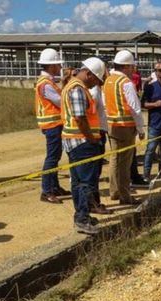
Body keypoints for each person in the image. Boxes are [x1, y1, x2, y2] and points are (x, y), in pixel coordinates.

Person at [60, 57, 106, 234]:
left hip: (74, 142)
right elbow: (80, 118)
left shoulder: (70, 86)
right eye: (96, 79)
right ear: (88, 74)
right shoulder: (78, 89)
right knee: (86, 182)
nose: (96, 83)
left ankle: (81, 214)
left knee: (78, 182)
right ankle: (82, 219)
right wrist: (92, 138)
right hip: (82, 142)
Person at [103, 50, 145, 205]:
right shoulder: (126, 83)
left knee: (114, 159)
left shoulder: (108, 81)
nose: (133, 69)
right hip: (125, 127)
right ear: (126, 66)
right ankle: (125, 196)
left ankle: (114, 191)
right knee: (125, 163)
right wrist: (141, 129)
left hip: (111, 125)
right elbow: (135, 108)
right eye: (132, 66)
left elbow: (105, 104)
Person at [35, 48, 71, 204]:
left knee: (55, 157)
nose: (60, 67)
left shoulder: (49, 82)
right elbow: (60, 101)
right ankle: (47, 190)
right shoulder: (46, 84)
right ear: (50, 66)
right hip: (52, 124)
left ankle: (54, 186)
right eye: (57, 64)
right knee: (52, 158)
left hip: (55, 123)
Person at [88, 70, 111, 215]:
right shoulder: (95, 92)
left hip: (99, 131)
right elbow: (92, 114)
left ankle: (94, 202)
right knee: (94, 171)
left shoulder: (96, 90)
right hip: (97, 132)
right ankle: (93, 203)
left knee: (95, 171)